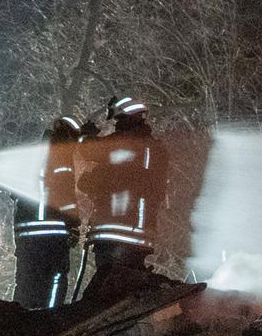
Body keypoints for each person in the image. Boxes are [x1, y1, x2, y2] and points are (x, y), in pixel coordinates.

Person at [77, 96, 168, 291]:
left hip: (116, 229)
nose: (117, 126)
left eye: (118, 121)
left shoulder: (125, 142)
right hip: (142, 233)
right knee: (129, 285)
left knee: (109, 286)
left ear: (126, 118)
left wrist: (86, 135)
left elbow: (90, 152)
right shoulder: (154, 148)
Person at [13, 116, 82, 309]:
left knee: (27, 281)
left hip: (25, 232)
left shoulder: (33, 153)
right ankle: (49, 321)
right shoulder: (61, 156)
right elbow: (65, 194)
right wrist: (74, 226)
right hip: (51, 232)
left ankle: (19, 325)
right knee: (56, 278)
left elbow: (14, 191)